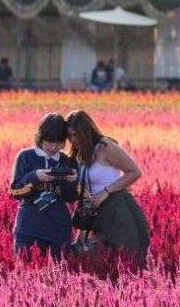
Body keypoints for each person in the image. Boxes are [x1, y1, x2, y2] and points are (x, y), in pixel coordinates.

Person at [66, 110, 150, 266]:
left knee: (123, 263)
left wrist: (106, 192)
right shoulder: (79, 155)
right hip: (100, 215)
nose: (73, 139)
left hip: (120, 212)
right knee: (92, 260)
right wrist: (81, 233)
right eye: (70, 135)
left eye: (76, 135)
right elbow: (87, 195)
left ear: (86, 131)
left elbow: (135, 172)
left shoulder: (105, 146)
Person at [9, 113, 79, 260]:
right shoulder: (26, 157)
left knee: (59, 277)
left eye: (59, 144)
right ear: (40, 138)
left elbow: (71, 198)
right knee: (24, 275)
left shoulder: (67, 161)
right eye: (49, 143)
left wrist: (72, 181)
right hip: (28, 229)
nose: (53, 148)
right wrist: (34, 177)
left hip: (58, 231)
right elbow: (15, 192)